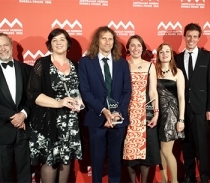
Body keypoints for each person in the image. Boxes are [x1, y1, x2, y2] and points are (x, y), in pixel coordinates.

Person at [27, 28, 82, 183]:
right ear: (50, 44)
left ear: (68, 43)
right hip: (48, 120)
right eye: (54, 40)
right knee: (50, 159)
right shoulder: (42, 63)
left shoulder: (75, 65)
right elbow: (33, 94)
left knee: (66, 159)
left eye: (62, 39)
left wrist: (79, 103)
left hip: (70, 122)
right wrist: (59, 103)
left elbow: (79, 92)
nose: (58, 43)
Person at [78, 26, 131, 183]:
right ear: (97, 41)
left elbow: (127, 91)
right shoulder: (86, 62)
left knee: (115, 158)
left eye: (110, 38)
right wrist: (103, 111)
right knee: (97, 158)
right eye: (104, 38)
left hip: (118, 119)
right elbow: (85, 91)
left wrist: (116, 113)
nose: (107, 42)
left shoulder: (121, 63)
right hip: (96, 118)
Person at [0, 33, 32, 182]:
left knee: (25, 174)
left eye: (5, 45)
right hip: (1, 133)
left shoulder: (27, 69)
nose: (3, 49)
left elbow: (32, 97)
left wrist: (23, 114)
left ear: (11, 45)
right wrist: (14, 116)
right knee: (5, 176)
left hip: (24, 131)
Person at [174, 23, 210, 183]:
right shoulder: (177, 58)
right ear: (184, 37)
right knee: (186, 145)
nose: (191, 39)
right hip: (183, 110)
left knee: (202, 146)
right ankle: (189, 176)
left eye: (195, 36)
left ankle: (204, 177)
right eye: (189, 36)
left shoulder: (208, 57)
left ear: (199, 38)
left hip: (201, 109)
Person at [122, 35, 160, 183]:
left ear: (143, 48)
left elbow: (153, 92)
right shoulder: (123, 65)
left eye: (139, 45)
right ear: (128, 48)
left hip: (145, 112)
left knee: (147, 152)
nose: (136, 48)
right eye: (132, 45)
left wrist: (155, 113)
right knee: (129, 151)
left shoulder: (149, 66)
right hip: (127, 112)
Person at [155, 43, 185, 183]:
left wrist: (181, 119)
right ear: (158, 55)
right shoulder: (154, 71)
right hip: (157, 114)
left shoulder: (177, 72)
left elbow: (181, 97)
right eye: (162, 52)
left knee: (167, 151)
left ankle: (174, 181)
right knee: (160, 151)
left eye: (167, 51)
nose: (165, 54)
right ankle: (163, 179)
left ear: (171, 54)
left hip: (171, 114)